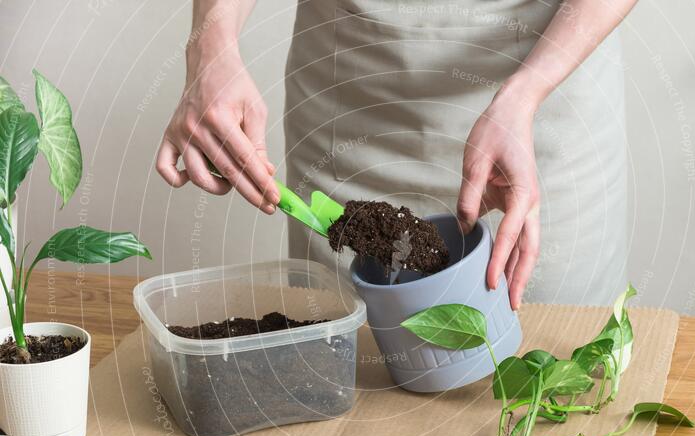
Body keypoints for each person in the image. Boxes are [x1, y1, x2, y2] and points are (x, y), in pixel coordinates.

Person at [157, 0, 636, 308]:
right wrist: (210, 48)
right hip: (350, 82)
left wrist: (525, 93)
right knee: (348, 361)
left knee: (545, 357)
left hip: (543, 83)